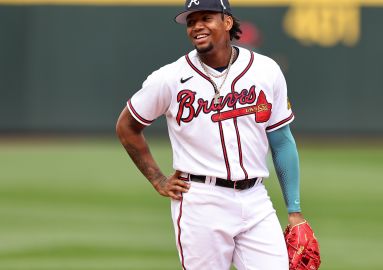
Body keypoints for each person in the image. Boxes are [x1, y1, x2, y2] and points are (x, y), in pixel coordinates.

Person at [116, 0, 306, 268]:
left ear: (227, 22)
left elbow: (282, 141)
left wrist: (294, 211)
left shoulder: (265, 70)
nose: (197, 26)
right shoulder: (169, 77)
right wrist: (157, 179)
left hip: (255, 199)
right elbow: (127, 126)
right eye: (191, 21)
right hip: (201, 201)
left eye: (206, 18)